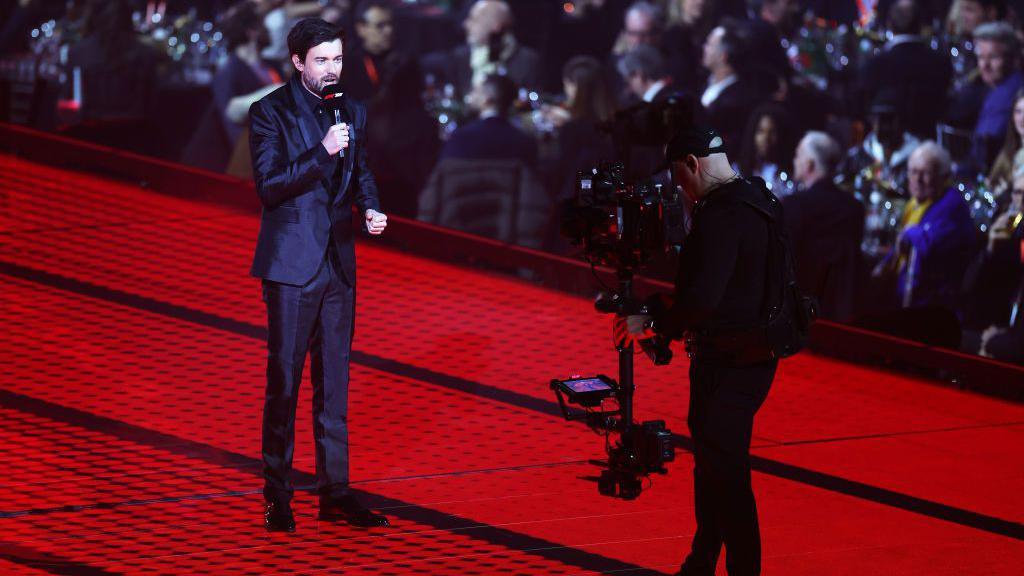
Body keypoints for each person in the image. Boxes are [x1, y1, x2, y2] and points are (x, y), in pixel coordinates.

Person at [248, 17, 390, 533]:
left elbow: (363, 170)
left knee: (335, 387)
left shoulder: (351, 109)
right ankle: (277, 495)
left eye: (337, 59)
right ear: (298, 63)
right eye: (322, 61)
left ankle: (336, 494)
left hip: (338, 263)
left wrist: (370, 207)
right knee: (284, 383)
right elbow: (269, 185)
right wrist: (322, 150)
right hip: (291, 266)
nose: (332, 70)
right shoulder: (269, 113)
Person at [627, 127, 780, 576]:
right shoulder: (761, 199)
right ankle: (701, 561)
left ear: (693, 164)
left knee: (727, 475)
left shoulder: (720, 216)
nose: (679, 190)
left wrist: (660, 325)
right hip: (756, 353)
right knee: (717, 465)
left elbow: (703, 299)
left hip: (728, 361)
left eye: (678, 177)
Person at [875, 141, 978, 310]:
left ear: (944, 177)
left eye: (926, 173)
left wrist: (909, 233)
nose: (918, 179)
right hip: (904, 297)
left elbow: (929, 242)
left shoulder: (952, 205)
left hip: (932, 305)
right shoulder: (915, 203)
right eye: (913, 172)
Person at [785, 131, 866, 322]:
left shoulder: (793, 206)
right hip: (843, 315)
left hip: (799, 314)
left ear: (809, 164)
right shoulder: (855, 208)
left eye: (798, 155)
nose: (794, 160)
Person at [859, 0, 953, 139]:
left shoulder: (875, 65)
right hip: (929, 143)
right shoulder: (941, 63)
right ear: (921, 25)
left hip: (885, 146)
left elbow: (862, 108)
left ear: (889, 24)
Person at [420, 0, 541, 100]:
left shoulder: (527, 61)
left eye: (474, 19)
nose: (466, 25)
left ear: (496, 25)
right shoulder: (459, 58)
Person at [737, 102, 797, 196]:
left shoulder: (788, 178)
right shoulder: (738, 171)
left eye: (772, 132)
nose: (766, 138)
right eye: (760, 131)